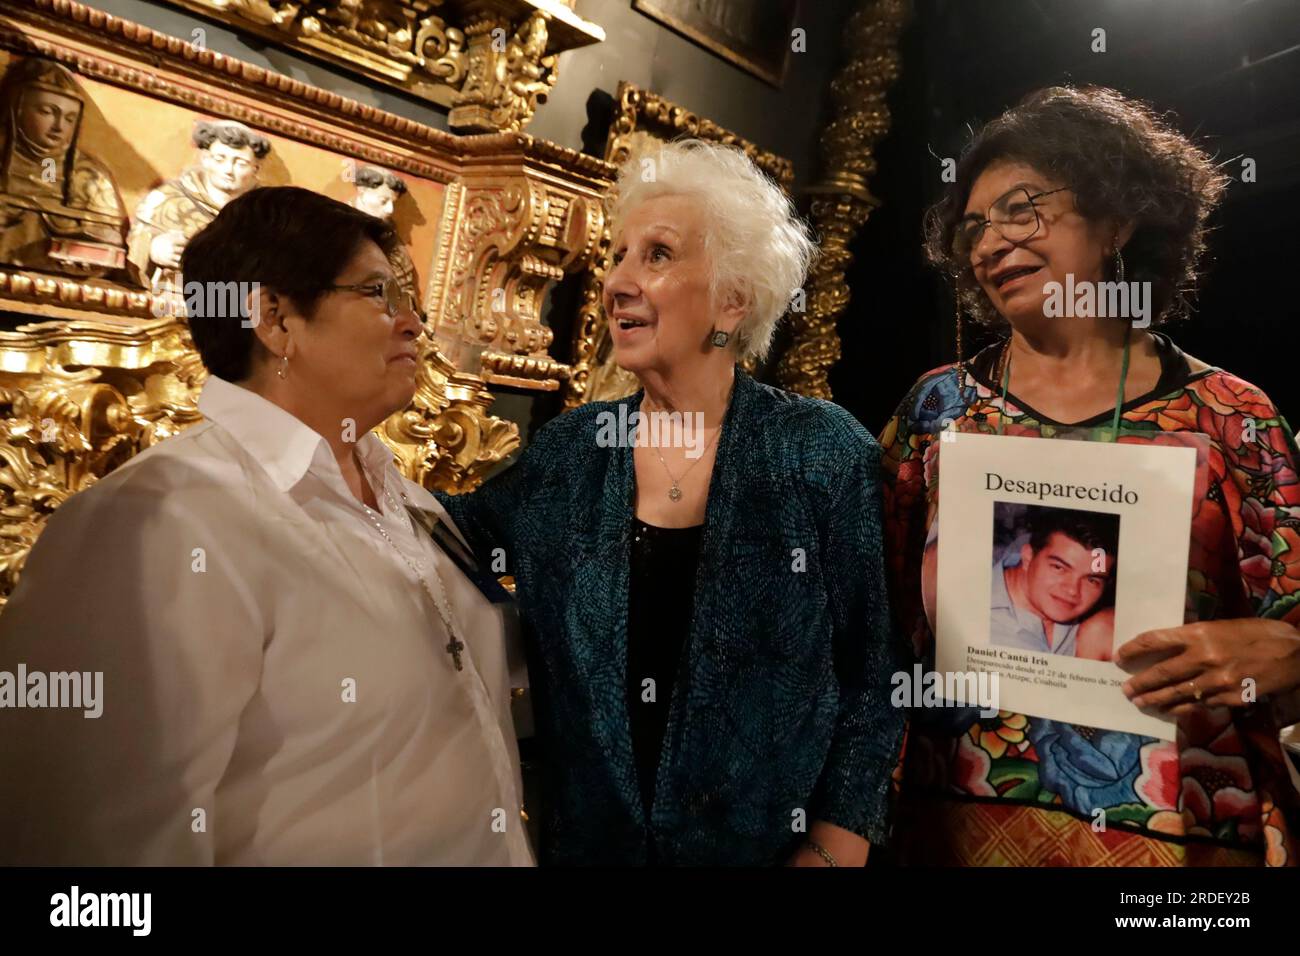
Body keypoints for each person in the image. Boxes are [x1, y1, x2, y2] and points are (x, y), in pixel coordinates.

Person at [0, 186, 533, 866]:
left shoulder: (416, 507)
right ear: (275, 319)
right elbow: (93, 847)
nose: (412, 324)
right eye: (377, 294)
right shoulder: (159, 520)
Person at [438, 139, 904, 866]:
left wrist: (831, 853)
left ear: (733, 298)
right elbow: (440, 543)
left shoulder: (820, 452)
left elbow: (874, 679)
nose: (619, 282)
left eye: (656, 255)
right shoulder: (572, 453)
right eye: (618, 255)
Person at [882, 86, 1300, 866]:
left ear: (1119, 217)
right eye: (974, 225)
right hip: (948, 830)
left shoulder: (1234, 416)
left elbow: (1292, 621)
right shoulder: (936, 409)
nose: (990, 241)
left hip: (1181, 842)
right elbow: (869, 616)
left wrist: (1284, 651)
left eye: (1023, 208)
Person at [126, 119, 270, 292]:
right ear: (205, 159)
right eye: (220, 159)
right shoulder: (168, 198)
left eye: (240, 163)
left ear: (256, 169)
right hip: (171, 301)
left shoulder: (266, 215)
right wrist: (154, 248)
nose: (228, 170)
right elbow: (136, 239)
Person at [987, 509, 1117, 656]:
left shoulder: (1100, 622)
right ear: (1028, 557)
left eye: (1091, 580)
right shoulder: (974, 613)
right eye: (1059, 567)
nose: (1072, 590)